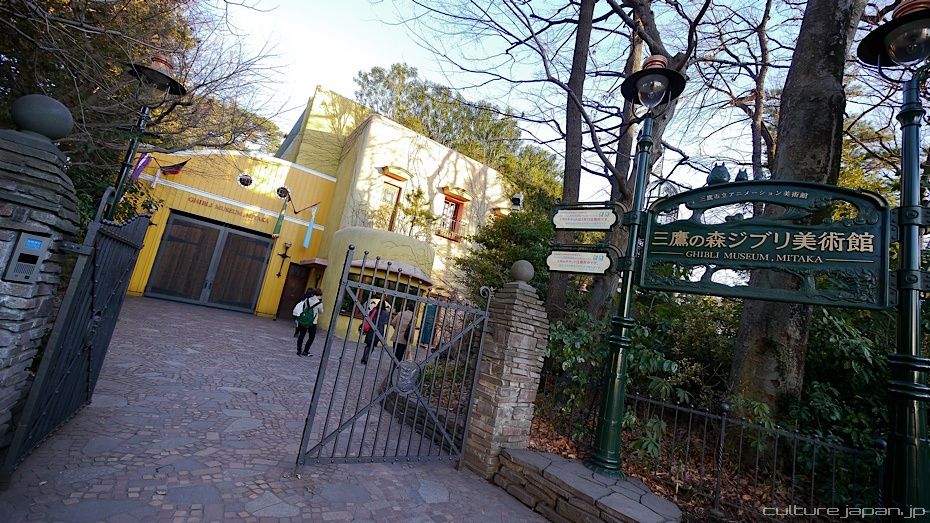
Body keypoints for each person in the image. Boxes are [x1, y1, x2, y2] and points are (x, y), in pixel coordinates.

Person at [292, 288, 323, 357]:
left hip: (304, 320)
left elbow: (303, 307)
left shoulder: (307, 300)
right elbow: (321, 312)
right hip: (313, 322)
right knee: (311, 337)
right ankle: (305, 351)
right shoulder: (319, 303)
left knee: (301, 335)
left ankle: (299, 351)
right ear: (319, 295)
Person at [360, 300, 391, 365]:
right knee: (372, 346)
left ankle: (363, 358)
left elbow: (368, 318)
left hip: (371, 330)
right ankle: (366, 358)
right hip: (378, 332)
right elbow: (387, 321)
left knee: (368, 345)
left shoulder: (373, 310)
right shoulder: (385, 313)